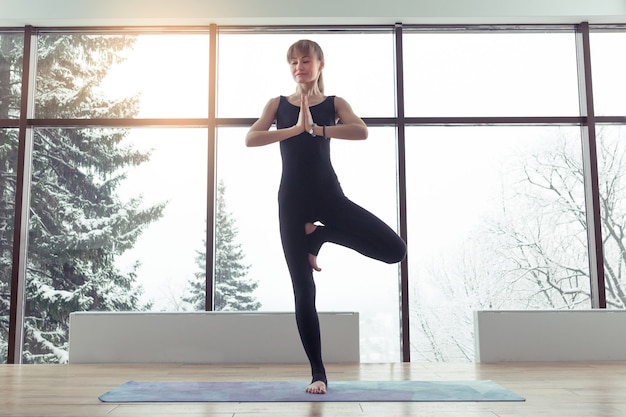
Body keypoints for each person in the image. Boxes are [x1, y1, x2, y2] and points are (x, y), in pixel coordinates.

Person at [245, 39, 406, 394]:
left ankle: (320, 236)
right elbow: (251, 138)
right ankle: (318, 374)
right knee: (303, 290)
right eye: (293, 62)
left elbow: (360, 130)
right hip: (292, 204)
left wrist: (317, 129)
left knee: (395, 250)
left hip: (329, 196)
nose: (298, 67)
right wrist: (293, 129)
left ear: (320, 64)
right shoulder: (277, 104)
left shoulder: (334, 103)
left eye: (305, 60)